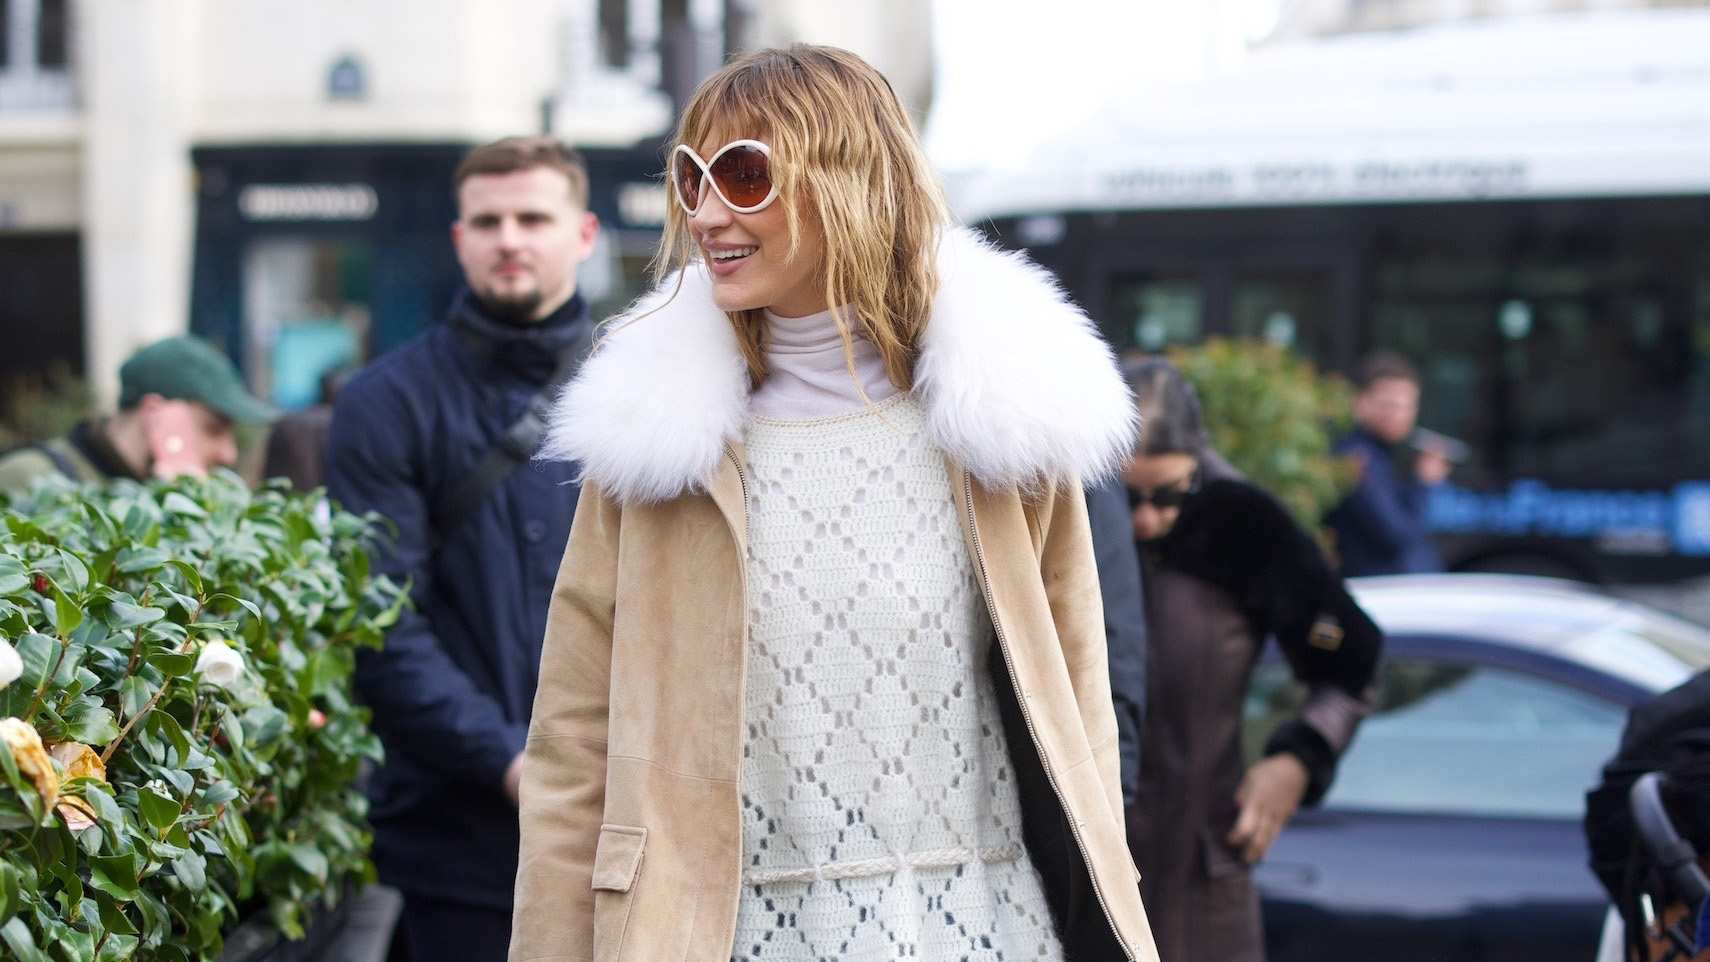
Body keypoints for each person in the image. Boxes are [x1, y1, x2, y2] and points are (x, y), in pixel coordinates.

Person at [512, 45, 1157, 962]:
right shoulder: (654, 446)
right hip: (719, 933)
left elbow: (1082, 710)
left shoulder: (1001, 423)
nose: (705, 212)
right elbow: (572, 746)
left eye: (743, 175)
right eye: (692, 177)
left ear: (849, 181)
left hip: (981, 927)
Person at [323, 136, 598, 962]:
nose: (509, 237)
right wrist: (512, 763)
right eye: (488, 219)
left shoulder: (648, 386)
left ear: (582, 233)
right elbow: (381, 623)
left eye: (533, 217)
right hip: (458, 847)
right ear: (459, 238)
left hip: (629, 828)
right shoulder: (382, 403)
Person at [1120, 357, 1382, 962]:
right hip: (1088, 877)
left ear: (1199, 458)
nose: (1146, 520)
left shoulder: (1246, 526)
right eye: (1127, 496)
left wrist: (1297, 759)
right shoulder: (1064, 522)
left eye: (1169, 496)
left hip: (1205, 879)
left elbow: (1352, 665)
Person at [0, 334, 276, 493]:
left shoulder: (159, 490)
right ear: (155, 414)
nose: (228, 453)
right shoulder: (31, 476)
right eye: (213, 430)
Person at [1323, 350, 1450, 577]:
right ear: (1360, 401)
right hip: (1379, 595)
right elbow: (1395, 537)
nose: (1397, 415)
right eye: (1388, 404)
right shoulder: (1356, 457)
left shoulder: (1385, 454)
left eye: (1406, 405)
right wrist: (1424, 483)